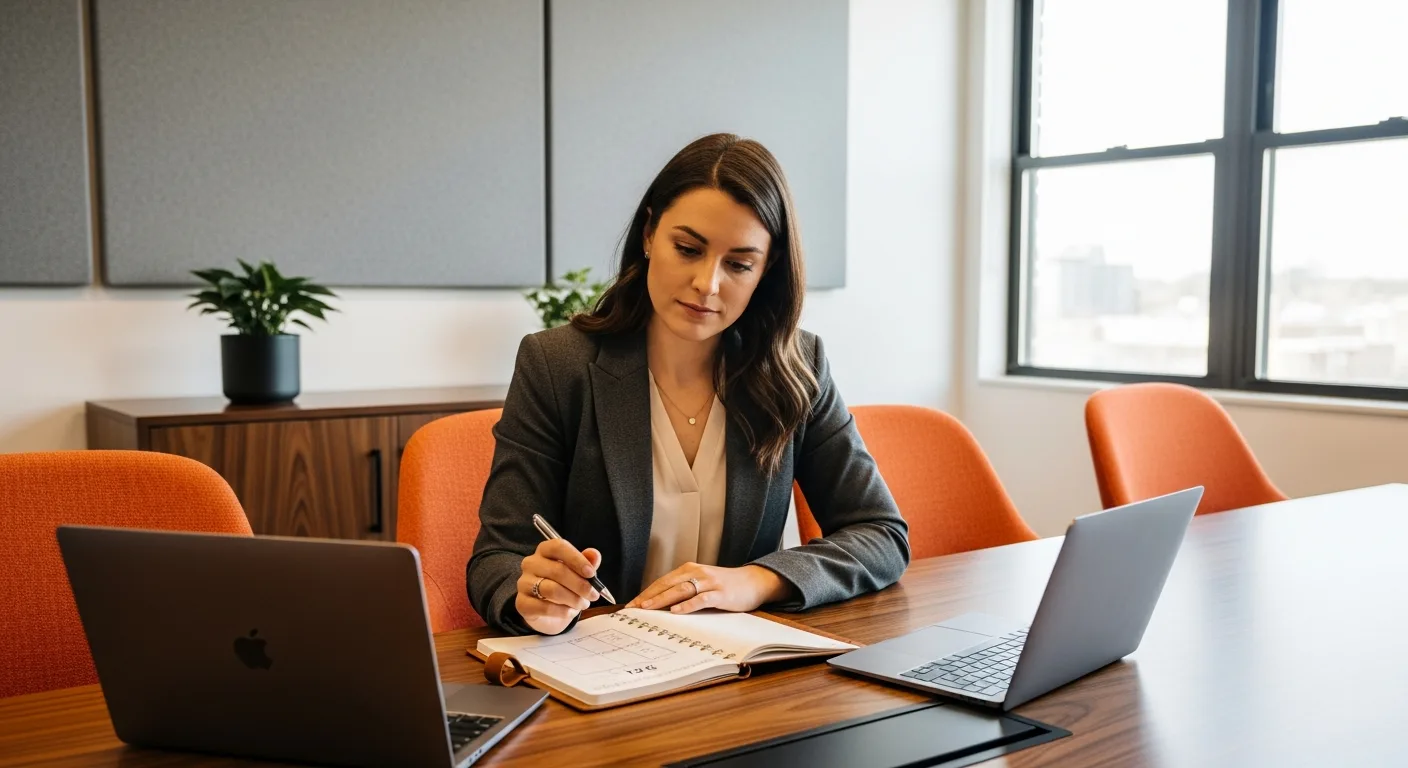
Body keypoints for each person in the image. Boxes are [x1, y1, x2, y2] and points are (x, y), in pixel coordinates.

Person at [469, 133, 909, 635]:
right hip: (600, 667)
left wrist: (756, 580)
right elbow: (497, 558)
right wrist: (533, 593)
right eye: (688, 248)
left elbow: (881, 534)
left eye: (739, 264)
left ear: (767, 269)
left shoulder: (797, 366)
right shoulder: (556, 364)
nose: (708, 284)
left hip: (734, 670)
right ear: (650, 233)